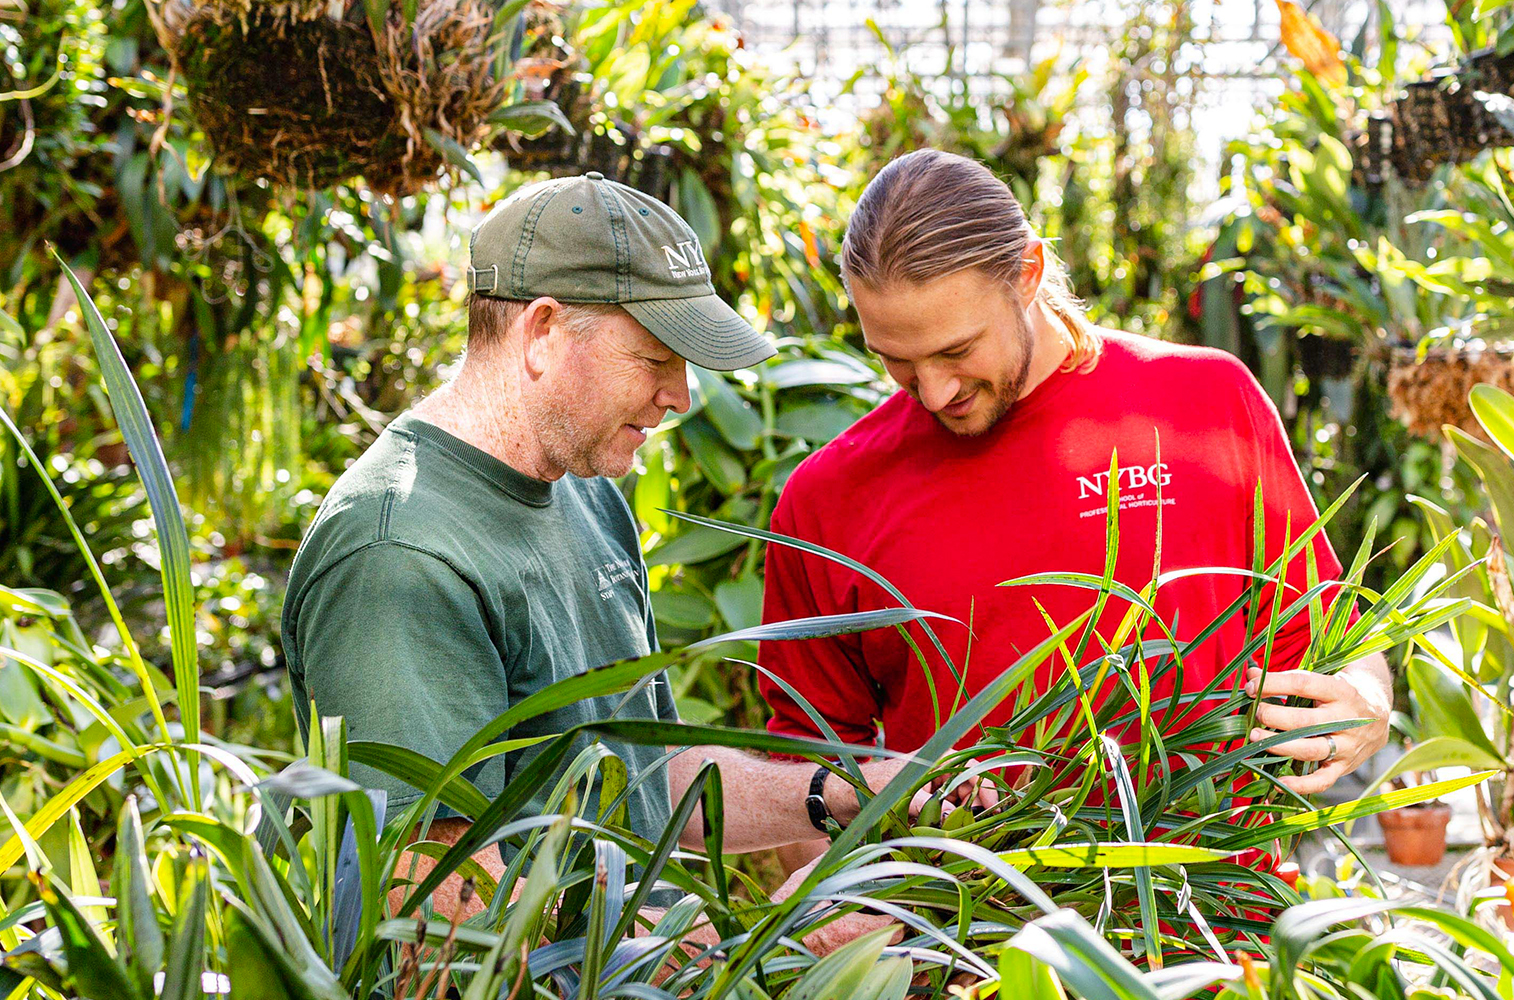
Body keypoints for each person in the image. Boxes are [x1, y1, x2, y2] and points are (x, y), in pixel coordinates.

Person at [280, 173, 907, 933]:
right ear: (542, 331)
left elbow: (647, 776)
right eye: (654, 359)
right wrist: (774, 949)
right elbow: (445, 933)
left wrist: (846, 792)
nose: (681, 396)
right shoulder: (401, 556)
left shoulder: (584, 488)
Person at [757, 149, 1392, 868]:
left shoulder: (1208, 401)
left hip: (1212, 940)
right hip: (959, 954)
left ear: (1027, 273)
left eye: (957, 350)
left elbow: (1328, 631)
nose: (932, 392)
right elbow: (802, 771)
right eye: (896, 360)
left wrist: (1369, 700)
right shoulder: (828, 497)